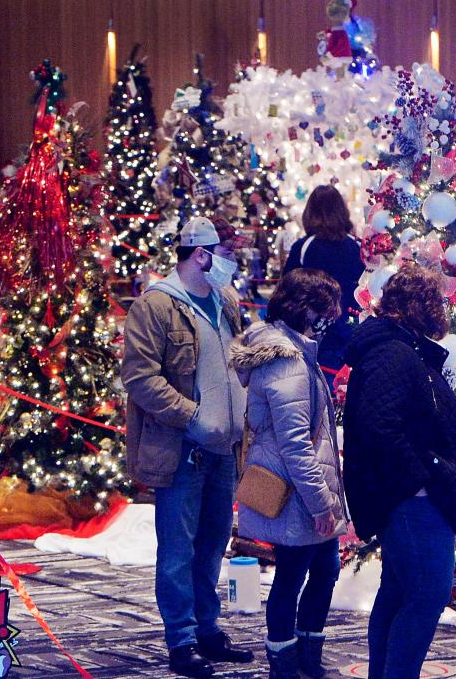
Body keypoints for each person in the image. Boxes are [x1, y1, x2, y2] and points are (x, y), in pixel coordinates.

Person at [341, 264, 456, 679]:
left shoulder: (399, 348)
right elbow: (379, 427)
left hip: (409, 495)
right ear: (421, 306)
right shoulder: (393, 352)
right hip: (412, 499)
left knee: (399, 591)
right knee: (427, 593)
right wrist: (424, 478)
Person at [122, 215, 255, 678]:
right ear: (202, 255)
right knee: (178, 550)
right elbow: (140, 378)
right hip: (182, 450)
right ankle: (181, 640)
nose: (232, 262)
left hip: (224, 448)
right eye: (226, 253)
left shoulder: (225, 300)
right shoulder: (155, 306)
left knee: (213, 543)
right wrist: (193, 416)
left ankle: (207, 629)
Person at [230, 268, 348, 679]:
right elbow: (296, 443)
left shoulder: (292, 352)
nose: (331, 318)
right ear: (306, 310)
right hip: (295, 489)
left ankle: (303, 655)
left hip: (300, 484)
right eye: (325, 309)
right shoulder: (288, 362)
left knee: (320, 568)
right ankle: (286, 661)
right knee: (295, 574)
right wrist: (321, 503)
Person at [283, 185, 365, 380]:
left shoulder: (303, 248)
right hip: (351, 332)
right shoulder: (357, 247)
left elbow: (286, 292)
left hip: (311, 336)